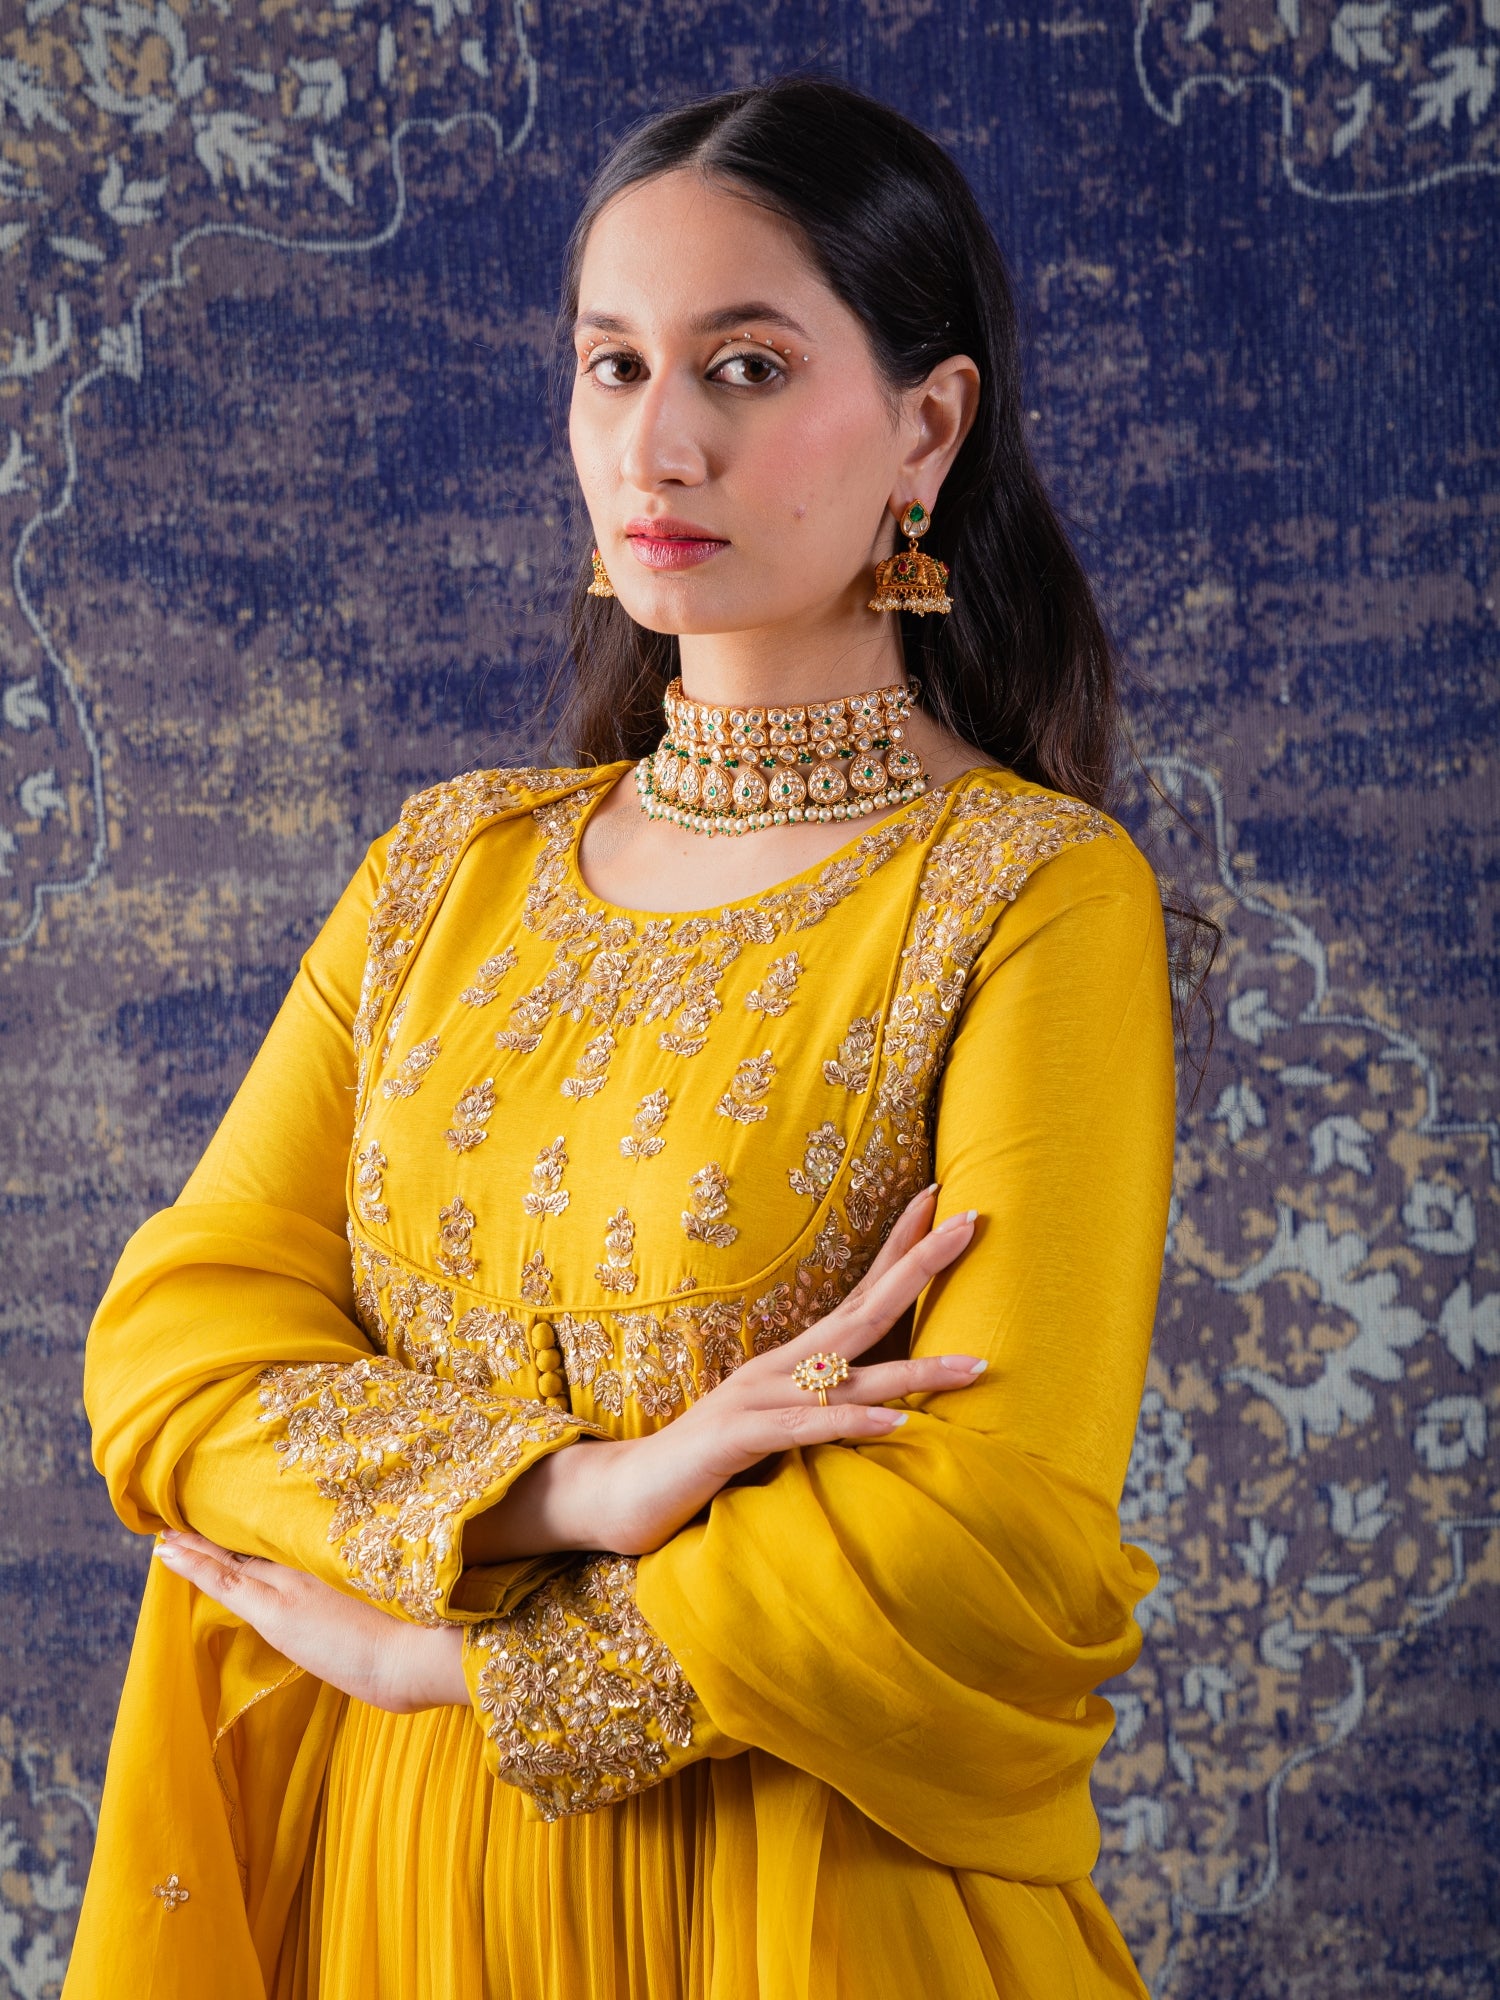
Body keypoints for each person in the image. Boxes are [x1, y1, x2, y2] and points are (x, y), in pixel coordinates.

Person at [66, 75, 1174, 2000]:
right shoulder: (446, 871)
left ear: (929, 423)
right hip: (387, 1903)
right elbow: (172, 1356)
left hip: (805, 1910)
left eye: (745, 366)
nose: (658, 443)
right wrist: (579, 1490)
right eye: (611, 366)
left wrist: (459, 1654)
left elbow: (985, 1538)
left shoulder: (1032, 899)